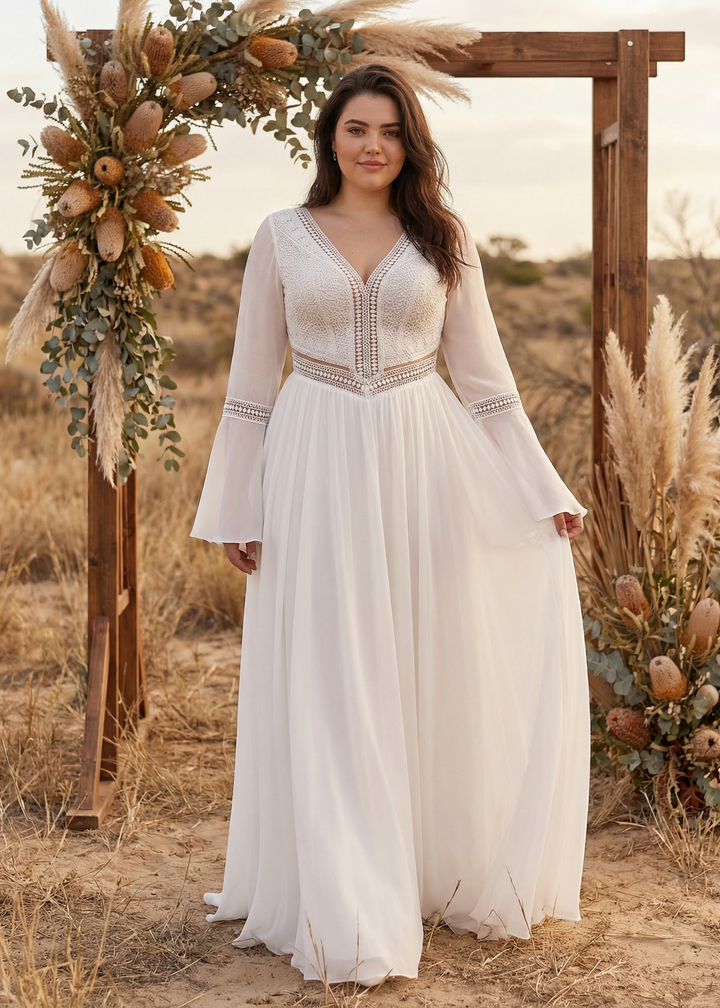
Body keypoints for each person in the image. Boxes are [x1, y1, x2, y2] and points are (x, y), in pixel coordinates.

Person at [191, 63, 590, 988]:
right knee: (330, 665)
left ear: (412, 144)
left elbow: (486, 381)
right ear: (329, 138)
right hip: (313, 459)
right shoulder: (281, 236)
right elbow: (249, 385)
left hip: (422, 460)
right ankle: (346, 899)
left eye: (392, 131)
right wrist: (239, 504)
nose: (374, 146)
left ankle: (419, 864)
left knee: (418, 655)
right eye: (357, 129)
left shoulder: (444, 236)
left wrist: (543, 486)